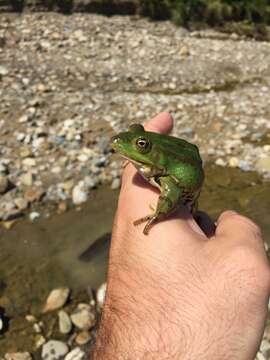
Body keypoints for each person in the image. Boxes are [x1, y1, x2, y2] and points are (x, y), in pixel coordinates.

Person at [93, 112, 270, 359]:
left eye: (142, 145)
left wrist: (158, 214)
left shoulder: (166, 175)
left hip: (184, 182)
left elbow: (172, 192)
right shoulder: (148, 162)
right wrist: (135, 158)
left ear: (153, 154)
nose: (123, 141)